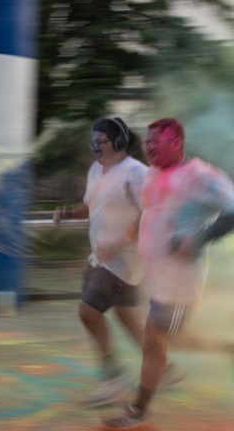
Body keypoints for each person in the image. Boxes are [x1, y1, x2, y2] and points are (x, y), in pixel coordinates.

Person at [102, 117, 234, 431]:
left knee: (154, 339)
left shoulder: (201, 174)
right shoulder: (155, 172)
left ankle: (138, 411)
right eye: (147, 143)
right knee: (174, 338)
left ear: (176, 143)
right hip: (156, 273)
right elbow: (151, 209)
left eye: (155, 143)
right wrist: (128, 235)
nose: (149, 148)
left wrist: (199, 238)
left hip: (180, 277)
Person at [54, 117, 164, 406]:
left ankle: (112, 378)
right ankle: (162, 367)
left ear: (118, 142)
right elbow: (88, 207)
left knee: (88, 313)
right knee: (127, 316)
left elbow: (151, 215)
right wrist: (66, 213)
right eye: (93, 141)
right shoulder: (96, 170)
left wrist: (120, 244)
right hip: (100, 256)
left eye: (100, 140)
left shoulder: (136, 172)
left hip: (124, 259)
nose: (94, 147)